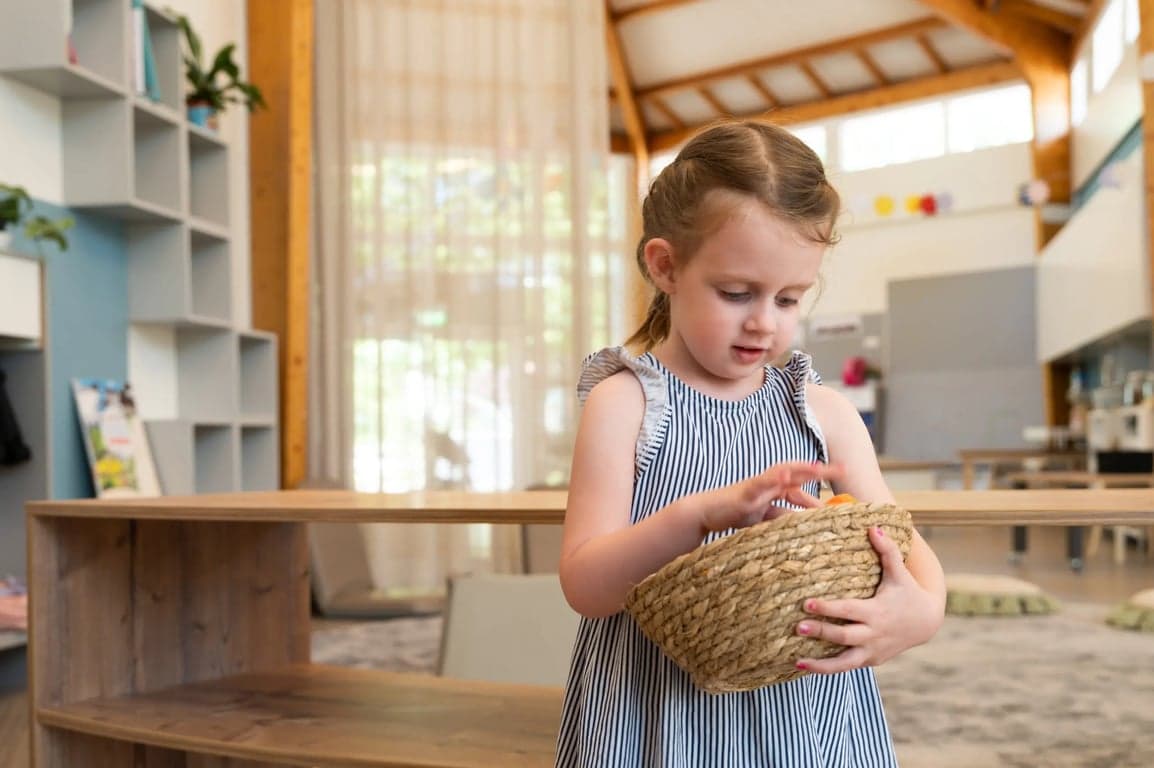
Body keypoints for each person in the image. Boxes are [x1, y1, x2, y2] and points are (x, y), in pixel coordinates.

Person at [555, 120, 946, 767]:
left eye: (790, 298)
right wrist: (699, 515)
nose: (765, 321)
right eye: (737, 293)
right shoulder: (623, 403)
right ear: (666, 266)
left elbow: (906, 546)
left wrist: (921, 614)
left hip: (805, 720)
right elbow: (586, 587)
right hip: (655, 718)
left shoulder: (825, 414)